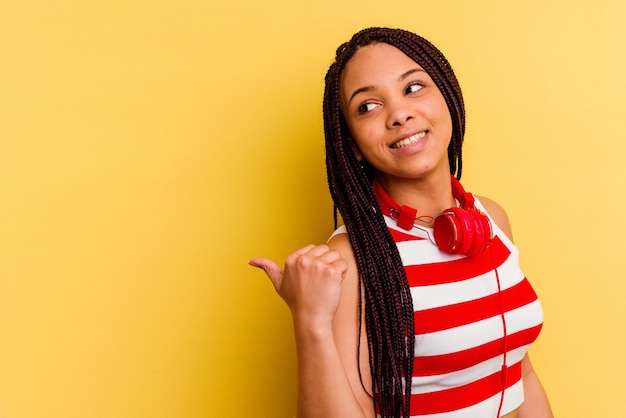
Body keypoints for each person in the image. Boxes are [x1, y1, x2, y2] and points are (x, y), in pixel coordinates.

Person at [249, 27, 553, 418]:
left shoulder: (490, 219)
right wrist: (311, 323)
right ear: (353, 145)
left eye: (412, 88)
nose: (399, 114)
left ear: (447, 98)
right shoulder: (350, 261)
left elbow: (521, 375)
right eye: (368, 106)